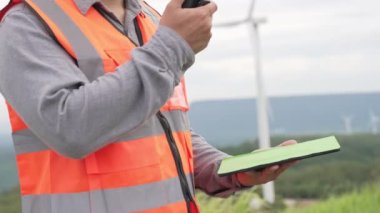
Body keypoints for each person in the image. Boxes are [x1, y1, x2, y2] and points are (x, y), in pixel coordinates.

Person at [0, 0, 297, 212]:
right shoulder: (25, 22)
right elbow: (68, 126)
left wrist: (227, 169)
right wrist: (171, 45)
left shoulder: (152, 20)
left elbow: (159, 129)